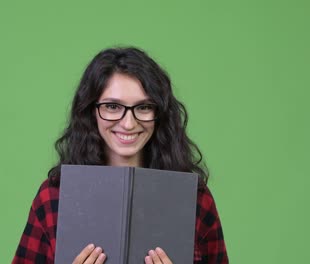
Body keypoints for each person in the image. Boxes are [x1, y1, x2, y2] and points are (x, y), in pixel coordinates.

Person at [12, 47, 228, 264]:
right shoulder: (53, 198)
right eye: (113, 106)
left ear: (159, 113)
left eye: (143, 107)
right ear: (91, 111)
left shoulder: (196, 199)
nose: (128, 123)